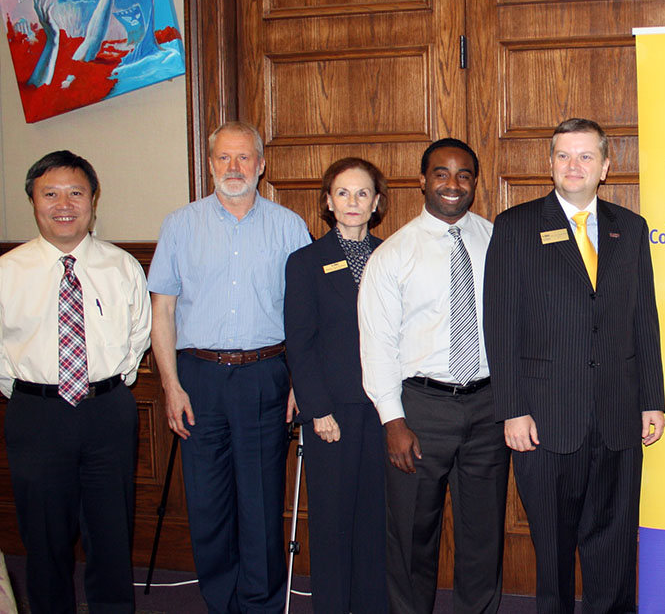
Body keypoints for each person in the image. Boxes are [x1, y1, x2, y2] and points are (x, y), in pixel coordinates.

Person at [483, 118, 665, 613]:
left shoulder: (630, 229)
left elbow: (643, 318)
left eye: (586, 156)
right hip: (544, 420)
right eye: (564, 156)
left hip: (617, 416)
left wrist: (652, 400)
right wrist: (512, 410)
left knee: (613, 550)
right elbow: (499, 326)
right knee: (555, 555)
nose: (574, 166)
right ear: (550, 165)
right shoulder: (516, 226)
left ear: (606, 166)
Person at [148, 121, 311, 613]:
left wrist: (298, 381)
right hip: (198, 378)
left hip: (266, 375)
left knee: (261, 500)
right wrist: (171, 388)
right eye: (224, 158)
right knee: (208, 500)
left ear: (261, 166)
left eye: (244, 158)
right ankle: (221, 601)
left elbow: (304, 315)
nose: (234, 168)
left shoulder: (288, 226)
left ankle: (259, 604)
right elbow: (163, 311)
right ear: (211, 164)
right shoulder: (180, 224)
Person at [359, 138, 509, 613]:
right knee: (411, 535)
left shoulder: (498, 242)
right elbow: (377, 344)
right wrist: (392, 421)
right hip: (420, 409)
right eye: (441, 173)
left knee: (482, 536)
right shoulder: (393, 255)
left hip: (489, 407)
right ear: (422, 180)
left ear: (475, 183)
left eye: (464, 174)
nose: (452, 184)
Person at [0, 151, 151, 613]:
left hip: (107, 408)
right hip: (35, 413)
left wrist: (105, 386)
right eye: (50, 194)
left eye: (75, 193)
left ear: (92, 200)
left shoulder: (121, 266)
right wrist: (31, 392)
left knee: (110, 531)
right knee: (44, 538)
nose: (64, 204)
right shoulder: (7, 272)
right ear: (33, 201)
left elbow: (137, 336)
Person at [284, 158, 388, 613]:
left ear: (377, 203)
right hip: (333, 413)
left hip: (384, 410)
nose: (352, 202)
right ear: (328, 202)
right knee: (332, 522)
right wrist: (317, 409)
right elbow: (299, 342)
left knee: (376, 520)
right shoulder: (306, 262)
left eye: (362, 193)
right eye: (342, 193)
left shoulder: (392, 255)